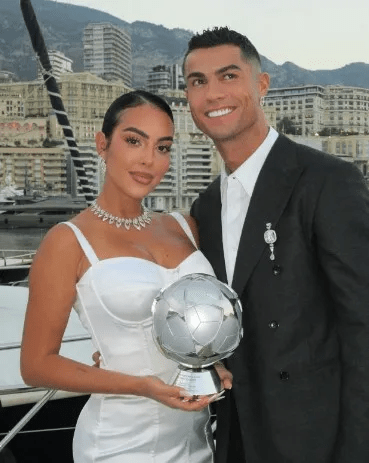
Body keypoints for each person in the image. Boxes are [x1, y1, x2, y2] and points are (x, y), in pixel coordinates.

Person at [183, 27, 369, 462]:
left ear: (261, 84)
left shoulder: (327, 182)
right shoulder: (205, 207)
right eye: (198, 82)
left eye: (228, 76)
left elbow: (363, 326)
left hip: (316, 441)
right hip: (236, 437)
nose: (212, 94)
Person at [20, 90, 231, 463]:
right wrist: (141, 386)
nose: (149, 160)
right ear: (103, 144)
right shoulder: (68, 242)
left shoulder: (185, 226)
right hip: (119, 443)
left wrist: (210, 361)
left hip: (196, 438)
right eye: (134, 141)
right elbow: (36, 365)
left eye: (163, 147)